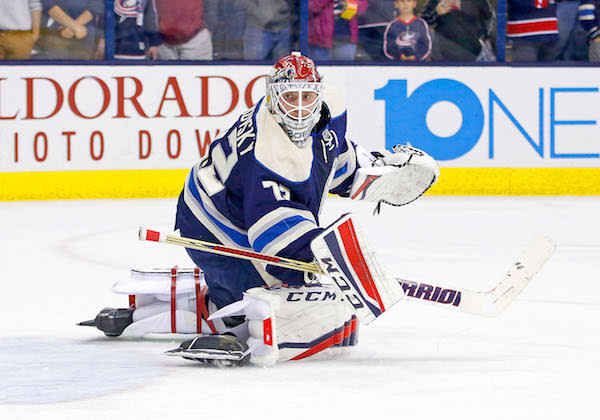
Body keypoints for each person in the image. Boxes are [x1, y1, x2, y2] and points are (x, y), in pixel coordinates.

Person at [84, 52, 440, 366]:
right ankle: (226, 317)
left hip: (234, 204)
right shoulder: (267, 152)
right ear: (273, 99)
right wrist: (329, 258)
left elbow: (329, 156)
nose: (299, 107)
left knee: (295, 278)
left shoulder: (326, 111)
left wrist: (376, 174)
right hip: (211, 223)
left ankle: (218, 299)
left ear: (319, 95)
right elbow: (274, 236)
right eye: (289, 98)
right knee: (284, 283)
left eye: (306, 97)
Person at [421, 0, 495, 61]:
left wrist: (482, 35)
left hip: (471, 53)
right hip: (443, 53)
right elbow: (423, 22)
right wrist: (436, 12)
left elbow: (489, 17)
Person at [143, 0, 216, 60]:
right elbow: (150, 7)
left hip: (196, 40)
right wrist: (154, 41)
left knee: (195, 76)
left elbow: (212, 4)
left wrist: (210, 25)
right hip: (164, 44)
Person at [34, 0, 104, 59]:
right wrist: (74, 27)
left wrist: (75, 27)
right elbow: (48, 5)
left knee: (81, 66)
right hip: (55, 33)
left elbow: (96, 6)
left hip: (83, 34)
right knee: (57, 63)